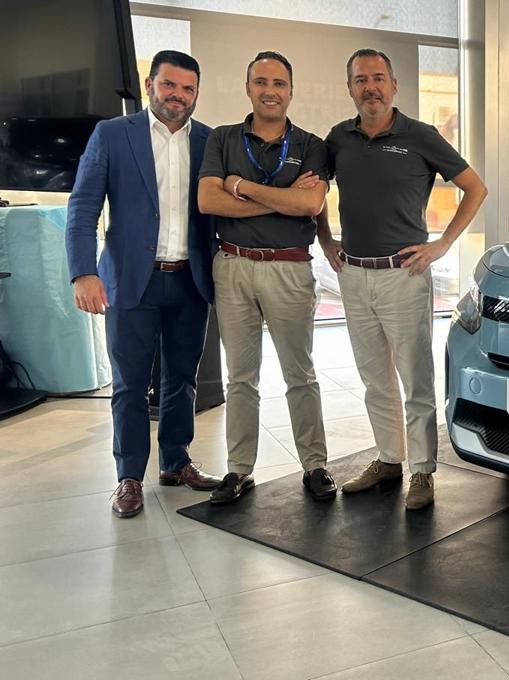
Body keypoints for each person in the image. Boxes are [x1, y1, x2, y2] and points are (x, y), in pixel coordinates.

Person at [317, 49, 486, 509]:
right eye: (360, 80)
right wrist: (325, 239)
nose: (369, 87)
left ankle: (422, 471)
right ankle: (389, 460)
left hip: (403, 275)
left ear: (394, 85)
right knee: (374, 378)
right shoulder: (338, 139)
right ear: (350, 87)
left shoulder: (420, 136)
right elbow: (312, 192)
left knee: (415, 379)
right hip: (353, 274)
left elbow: (475, 188)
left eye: (378, 78)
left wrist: (443, 245)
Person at [66, 50, 222, 518]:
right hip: (129, 281)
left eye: (188, 89)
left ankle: (175, 461)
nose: (179, 96)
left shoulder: (210, 141)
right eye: (170, 85)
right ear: (150, 84)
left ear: (197, 93)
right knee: (130, 385)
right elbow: (83, 207)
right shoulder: (113, 135)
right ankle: (129, 476)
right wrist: (83, 271)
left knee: (182, 379)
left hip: (189, 281)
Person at [197, 51, 336, 504]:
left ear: (291, 92)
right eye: (261, 82)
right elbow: (208, 202)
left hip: (290, 268)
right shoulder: (221, 138)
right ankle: (239, 470)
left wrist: (241, 186)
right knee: (241, 378)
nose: (270, 90)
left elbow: (311, 205)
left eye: (279, 83)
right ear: (248, 88)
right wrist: (281, 198)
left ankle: (314, 465)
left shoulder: (311, 145)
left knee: (301, 374)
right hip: (233, 266)